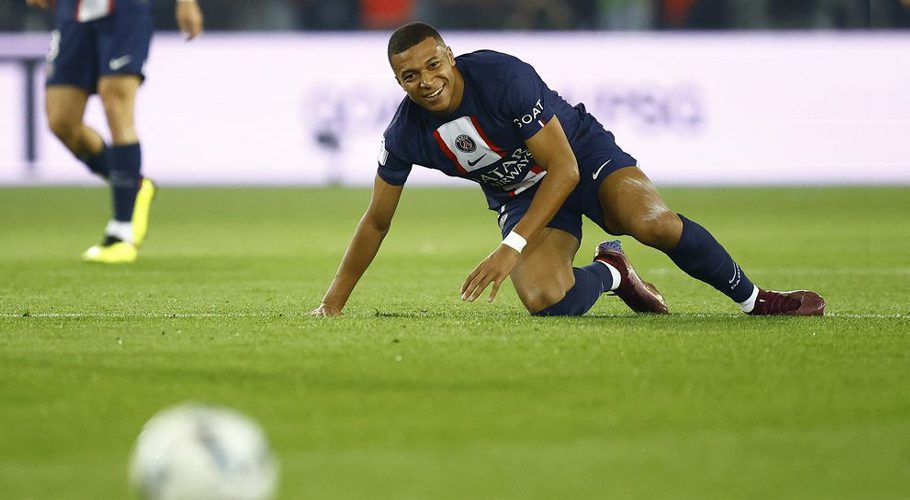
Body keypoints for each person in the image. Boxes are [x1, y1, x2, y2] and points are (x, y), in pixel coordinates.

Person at [311, 22, 825, 318]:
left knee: (648, 222)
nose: (426, 81)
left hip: (582, 157)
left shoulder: (501, 76)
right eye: (410, 76)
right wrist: (331, 306)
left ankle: (756, 300)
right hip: (521, 196)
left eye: (433, 64)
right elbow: (377, 220)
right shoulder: (405, 133)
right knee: (544, 299)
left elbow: (563, 169)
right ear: (397, 82)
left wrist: (509, 248)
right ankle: (612, 273)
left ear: (450, 55)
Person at [26, 0, 204, 263]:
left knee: (116, 103)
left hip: (124, 10)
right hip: (73, 11)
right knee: (61, 120)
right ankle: (135, 185)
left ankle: (122, 233)